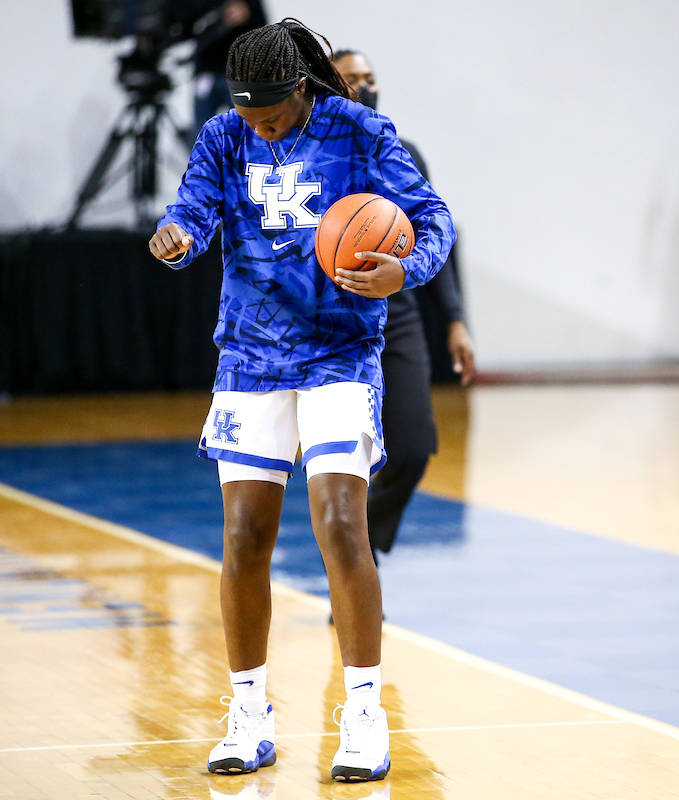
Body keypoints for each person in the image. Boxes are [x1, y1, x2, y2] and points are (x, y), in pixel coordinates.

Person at [147, 19, 454, 782]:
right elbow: (193, 207)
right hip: (250, 356)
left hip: (339, 353)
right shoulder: (224, 135)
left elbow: (435, 220)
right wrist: (177, 234)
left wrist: (403, 268)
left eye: (274, 117)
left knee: (343, 524)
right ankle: (249, 713)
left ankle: (363, 715)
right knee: (246, 535)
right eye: (251, 117)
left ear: (300, 89)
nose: (263, 129)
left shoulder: (360, 132)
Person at [331, 48, 477, 564]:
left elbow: (440, 236)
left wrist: (456, 320)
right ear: (326, 84)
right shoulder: (307, 158)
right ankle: (353, 575)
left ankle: (358, 553)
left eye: (371, 78)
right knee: (342, 464)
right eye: (352, 78)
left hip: (400, 316)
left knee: (413, 449)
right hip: (331, 323)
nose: (365, 87)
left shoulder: (403, 153)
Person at [179, 0, 268, 136]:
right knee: (203, 130)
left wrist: (247, 14)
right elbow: (188, 25)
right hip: (207, 73)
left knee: (244, 130)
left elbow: (262, 30)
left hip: (238, 76)